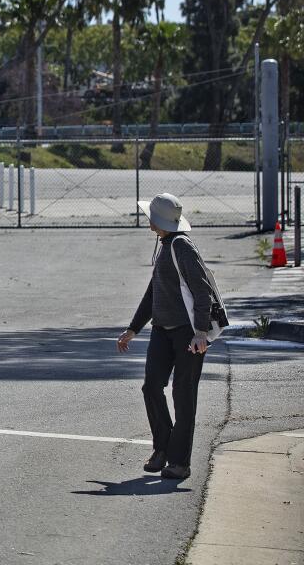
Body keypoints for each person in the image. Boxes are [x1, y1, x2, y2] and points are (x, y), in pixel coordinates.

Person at [116, 192, 213, 480]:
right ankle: (162, 448)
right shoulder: (164, 244)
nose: (149, 224)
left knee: (183, 397)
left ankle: (179, 462)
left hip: (188, 334)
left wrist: (200, 332)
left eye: (151, 219)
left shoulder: (182, 246)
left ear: (160, 221)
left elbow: (202, 290)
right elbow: (154, 292)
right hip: (161, 329)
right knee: (151, 387)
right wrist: (133, 328)